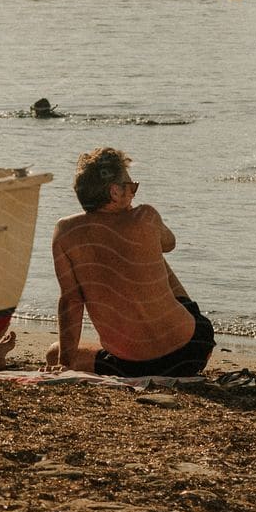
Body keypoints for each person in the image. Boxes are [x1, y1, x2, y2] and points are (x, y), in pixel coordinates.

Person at [46, 147, 215, 377]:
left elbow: (71, 302)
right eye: (131, 186)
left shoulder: (64, 232)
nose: (134, 192)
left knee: (54, 352)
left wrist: (65, 364)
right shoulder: (145, 217)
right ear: (115, 192)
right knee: (149, 250)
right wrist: (134, 220)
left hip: (129, 366)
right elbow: (169, 243)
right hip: (190, 351)